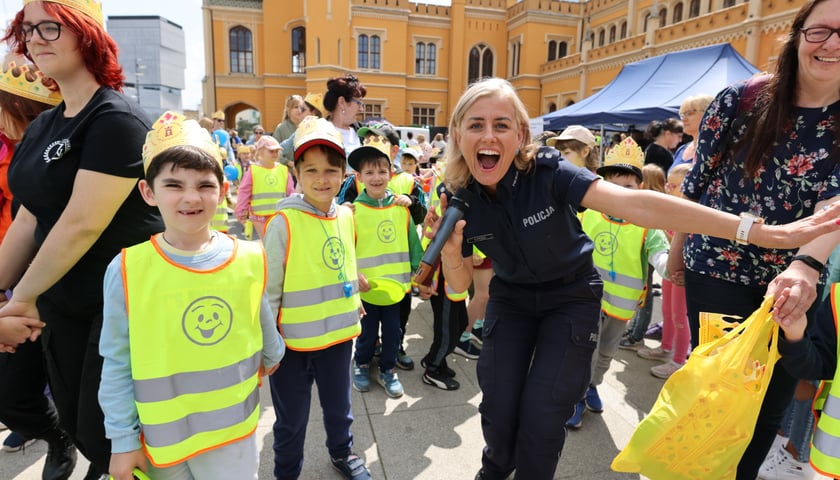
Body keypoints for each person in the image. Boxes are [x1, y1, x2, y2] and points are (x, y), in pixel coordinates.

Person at [421, 77, 840, 480]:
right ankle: (494, 471)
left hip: (569, 298)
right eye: (476, 124)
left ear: (520, 136)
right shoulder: (456, 198)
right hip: (511, 302)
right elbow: (458, 288)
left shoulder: (549, 173)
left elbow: (637, 204)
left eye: (502, 125)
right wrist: (454, 254)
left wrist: (760, 231)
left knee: (542, 416)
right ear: (458, 133)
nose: (489, 136)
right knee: (497, 408)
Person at [667, 1, 840, 476]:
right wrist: (678, 251)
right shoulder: (741, 100)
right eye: (821, 30)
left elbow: (837, 203)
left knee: (768, 406)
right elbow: (697, 187)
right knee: (718, 399)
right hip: (718, 268)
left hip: (794, 279)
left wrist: (805, 266)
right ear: (798, 34)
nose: (833, 44)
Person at [0, 1, 165, 478]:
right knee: (73, 420)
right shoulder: (45, 126)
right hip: (58, 299)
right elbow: (30, 217)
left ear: (86, 34)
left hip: (114, 302)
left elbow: (81, 223)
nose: (35, 38)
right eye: (28, 29)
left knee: (102, 428)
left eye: (51, 26)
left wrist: (21, 301)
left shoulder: (115, 120)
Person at [98, 112, 284, 480]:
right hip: (163, 439)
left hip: (232, 433)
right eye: (174, 185)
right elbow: (117, 360)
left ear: (223, 190)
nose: (190, 197)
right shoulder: (127, 269)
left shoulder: (248, 255)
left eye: (204, 184)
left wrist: (273, 349)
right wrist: (122, 441)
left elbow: (259, 310)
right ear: (148, 192)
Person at [263, 116, 371, 480]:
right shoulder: (284, 222)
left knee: (339, 409)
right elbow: (268, 293)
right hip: (292, 346)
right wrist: (269, 345)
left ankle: (343, 453)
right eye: (311, 170)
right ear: (296, 172)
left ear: (343, 173)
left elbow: (342, 260)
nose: (322, 179)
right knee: (290, 421)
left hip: (338, 338)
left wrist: (354, 291)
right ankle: (286, 472)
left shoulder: (346, 215)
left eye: (330, 170)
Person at [0, 53, 76, 471]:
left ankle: (80, 444)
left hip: (55, 286)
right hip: (15, 283)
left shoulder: (63, 158)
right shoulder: (11, 153)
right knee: (13, 394)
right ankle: (57, 435)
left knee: (77, 392)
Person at [565, 137, 670, 430]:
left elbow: (659, 252)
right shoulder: (587, 213)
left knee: (607, 350)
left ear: (640, 190)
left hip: (621, 304)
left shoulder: (646, 223)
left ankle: (592, 385)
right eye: (615, 187)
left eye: (629, 188)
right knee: (584, 348)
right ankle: (575, 396)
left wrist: (668, 267)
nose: (622, 194)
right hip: (584, 297)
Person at [348, 136, 423, 398]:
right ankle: (361, 364)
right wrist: (352, 276)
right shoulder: (353, 212)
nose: (376, 177)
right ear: (359, 177)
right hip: (367, 289)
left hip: (395, 289)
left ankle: (388, 369)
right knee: (367, 334)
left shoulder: (401, 209)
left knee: (393, 332)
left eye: (382, 170)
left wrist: (419, 272)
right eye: (369, 172)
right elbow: (346, 249)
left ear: (391, 173)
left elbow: (413, 242)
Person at [636, 163, 693, 379]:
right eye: (668, 183)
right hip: (670, 270)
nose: (668, 187)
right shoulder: (672, 208)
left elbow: (677, 241)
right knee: (668, 312)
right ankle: (665, 347)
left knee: (679, 315)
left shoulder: (688, 213)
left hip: (680, 273)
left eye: (674, 185)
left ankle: (679, 361)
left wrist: (661, 231)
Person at [618, 163, 668, 350]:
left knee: (644, 296)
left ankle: (637, 334)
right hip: (638, 253)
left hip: (647, 253)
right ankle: (633, 330)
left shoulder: (654, 205)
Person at [235, 134, 294, 239]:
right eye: (271, 151)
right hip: (259, 217)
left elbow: (290, 193)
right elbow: (244, 192)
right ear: (261, 151)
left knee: (278, 243)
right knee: (267, 242)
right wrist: (241, 210)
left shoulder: (283, 170)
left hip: (279, 215)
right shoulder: (253, 170)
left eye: (277, 151)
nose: (275, 154)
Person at [324, 74, 366, 164]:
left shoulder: (363, 132)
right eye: (358, 103)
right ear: (342, 102)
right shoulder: (318, 131)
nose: (361, 109)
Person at [670, 94, 714, 170]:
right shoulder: (681, 149)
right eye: (682, 115)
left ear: (708, 114)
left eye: (690, 113)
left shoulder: (716, 149)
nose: (683, 119)